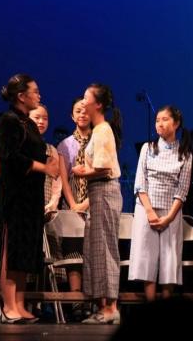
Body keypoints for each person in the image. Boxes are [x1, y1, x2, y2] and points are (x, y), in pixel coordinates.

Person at [0, 74, 59, 324]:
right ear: (21, 96)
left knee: (24, 250)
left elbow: (36, 152)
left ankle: (19, 303)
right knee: (10, 249)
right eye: (35, 91)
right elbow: (10, 157)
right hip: (13, 196)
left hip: (30, 197)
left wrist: (50, 162)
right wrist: (44, 167)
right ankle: (8, 305)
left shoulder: (28, 123)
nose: (39, 95)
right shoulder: (8, 121)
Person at [129, 105, 192, 301]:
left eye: (165, 119)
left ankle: (166, 308)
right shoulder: (148, 148)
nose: (160, 124)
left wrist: (169, 217)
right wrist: (149, 211)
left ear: (176, 123)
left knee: (169, 260)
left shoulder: (185, 153)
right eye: (157, 120)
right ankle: (151, 306)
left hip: (170, 212)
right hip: (146, 209)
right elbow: (140, 183)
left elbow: (182, 190)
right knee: (147, 258)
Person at [71, 83, 123, 324]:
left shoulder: (102, 130)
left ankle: (111, 307)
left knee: (105, 248)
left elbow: (103, 167)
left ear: (98, 104)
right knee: (97, 248)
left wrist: (82, 172)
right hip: (98, 191)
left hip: (104, 189)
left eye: (86, 97)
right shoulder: (98, 130)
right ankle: (104, 306)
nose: (83, 102)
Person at [56, 97, 92, 320]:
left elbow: (102, 174)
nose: (82, 114)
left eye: (86, 110)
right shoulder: (65, 145)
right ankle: (76, 301)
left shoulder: (99, 141)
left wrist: (86, 203)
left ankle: (92, 300)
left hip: (93, 201)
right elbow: (63, 177)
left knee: (91, 253)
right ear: (72, 116)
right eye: (78, 111)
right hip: (71, 202)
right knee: (73, 252)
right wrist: (73, 204)